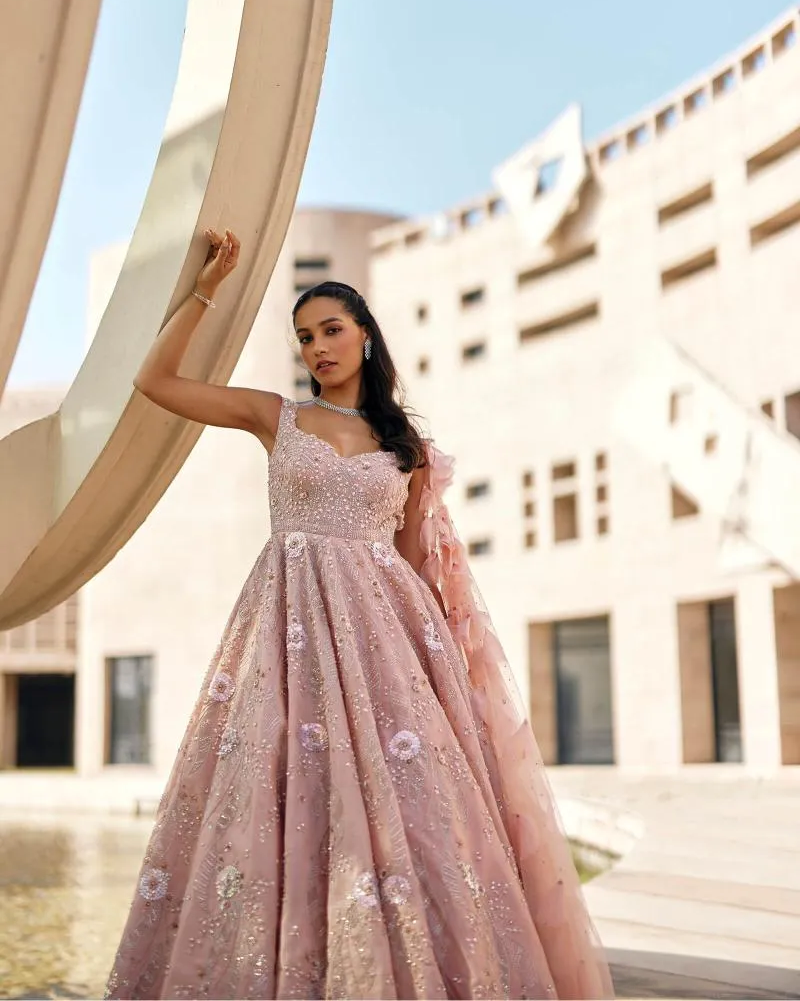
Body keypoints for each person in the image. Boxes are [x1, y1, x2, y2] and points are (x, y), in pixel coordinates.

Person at [104, 229, 613, 1000]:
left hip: (384, 644)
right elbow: (156, 381)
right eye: (305, 337)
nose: (318, 347)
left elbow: (413, 563)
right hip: (288, 628)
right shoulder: (277, 417)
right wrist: (205, 290)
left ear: (366, 337)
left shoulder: (404, 446)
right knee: (281, 794)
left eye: (332, 330)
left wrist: (442, 675)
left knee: (409, 815)